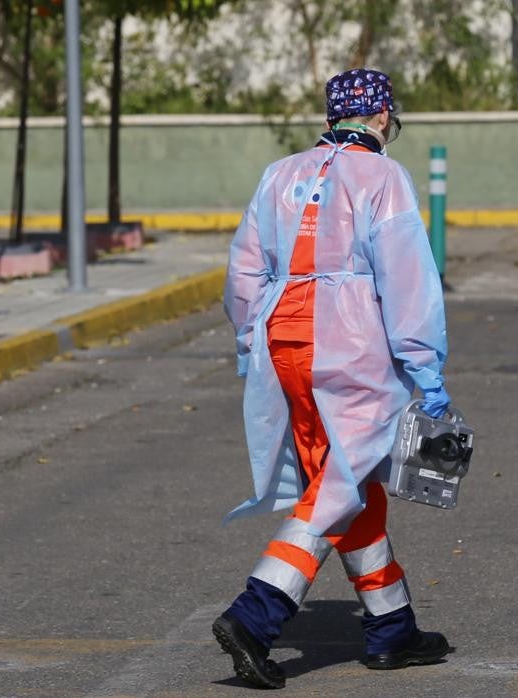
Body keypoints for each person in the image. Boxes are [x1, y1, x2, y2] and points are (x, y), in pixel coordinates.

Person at [213, 68, 453, 689]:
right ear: (380, 118)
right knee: (343, 480)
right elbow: (406, 277)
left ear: (330, 118)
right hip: (348, 343)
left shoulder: (280, 174)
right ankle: (256, 614)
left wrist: (249, 343)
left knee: (342, 475)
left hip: (283, 341)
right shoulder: (384, 177)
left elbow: (244, 271)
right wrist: (425, 368)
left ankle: (392, 626)